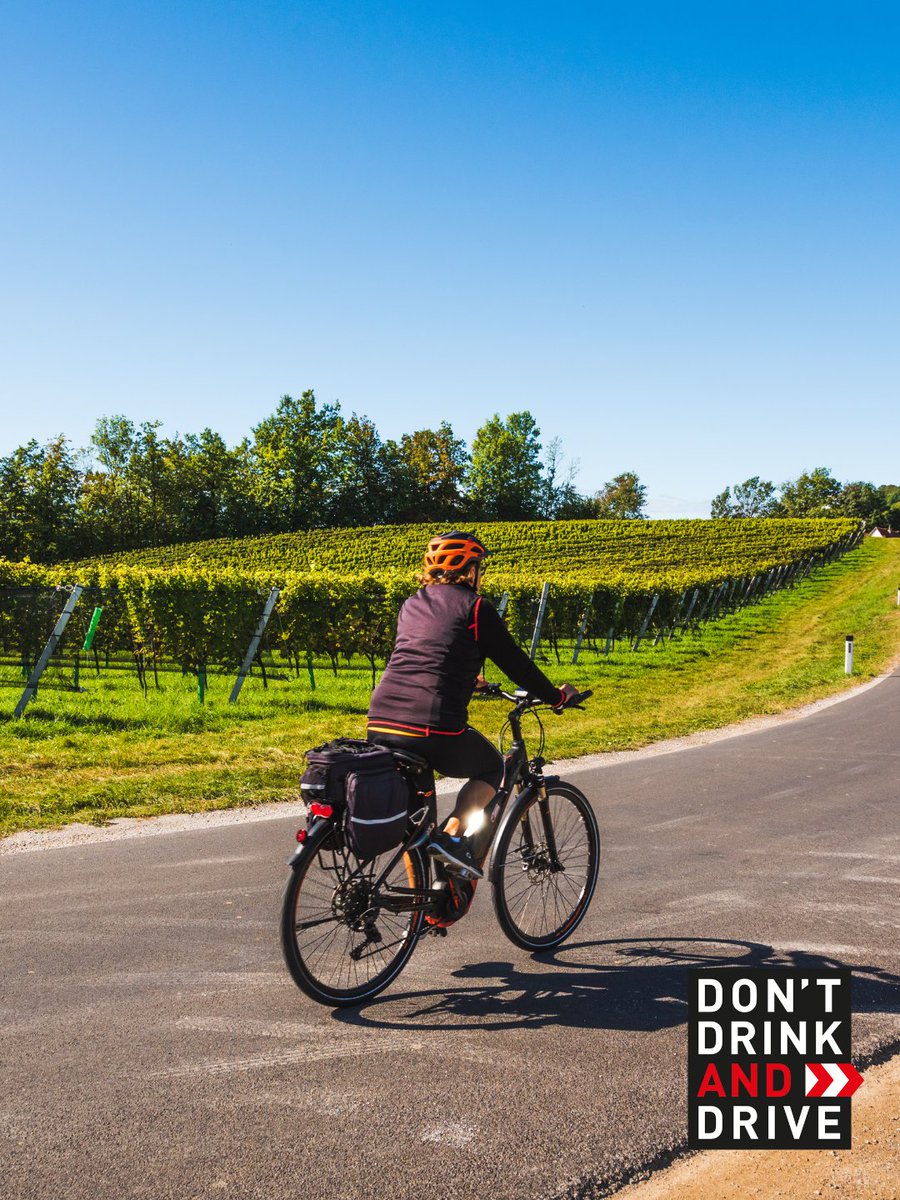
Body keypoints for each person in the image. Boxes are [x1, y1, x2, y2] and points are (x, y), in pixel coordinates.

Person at [366, 530, 579, 880]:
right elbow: (517, 665)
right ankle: (452, 839)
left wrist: (468, 680)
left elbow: (423, 655)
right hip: (432, 724)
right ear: (470, 568)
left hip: (382, 720)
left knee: (415, 823)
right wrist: (556, 697)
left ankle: (427, 906)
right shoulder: (476, 607)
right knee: (493, 768)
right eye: (479, 566)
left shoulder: (412, 603)